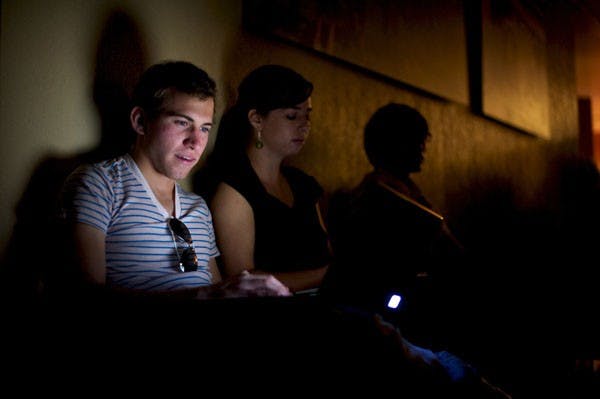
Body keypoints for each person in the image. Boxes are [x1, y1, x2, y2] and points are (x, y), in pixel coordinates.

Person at [59, 60, 290, 303]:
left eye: (204, 128)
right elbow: (83, 297)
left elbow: (217, 291)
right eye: (182, 123)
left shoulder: (198, 207)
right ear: (140, 121)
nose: (195, 142)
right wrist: (204, 294)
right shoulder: (98, 185)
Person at [324, 103, 465, 346]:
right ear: (394, 144)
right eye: (416, 141)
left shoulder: (406, 191)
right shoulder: (379, 196)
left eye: (423, 141)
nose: (423, 149)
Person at [195, 64, 330, 293]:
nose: (305, 125)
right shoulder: (234, 192)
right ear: (257, 119)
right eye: (291, 116)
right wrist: (326, 275)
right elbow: (244, 282)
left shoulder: (303, 185)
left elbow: (327, 254)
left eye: (307, 115)